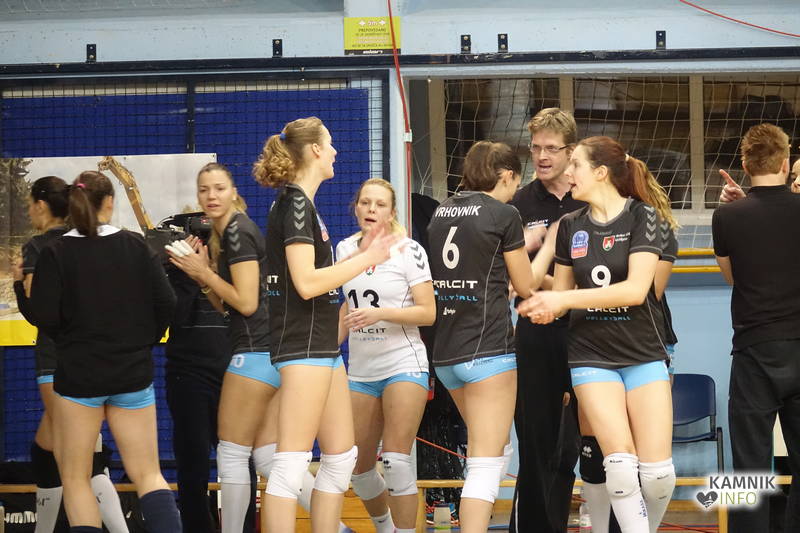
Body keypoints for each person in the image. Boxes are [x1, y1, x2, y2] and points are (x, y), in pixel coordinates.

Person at [519, 136, 676, 533]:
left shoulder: (644, 216)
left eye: (576, 164)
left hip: (642, 352)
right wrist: (545, 304)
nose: (568, 172)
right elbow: (562, 294)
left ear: (601, 172)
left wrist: (564, 300)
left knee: (658, 476)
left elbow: (636, 291)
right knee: (619, 465)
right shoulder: (572, 226)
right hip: (590, 355)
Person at [253, 117, 399, 532]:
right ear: (316, 150)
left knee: (340, 457)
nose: (335, 151)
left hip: (321, 347)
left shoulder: (301, 204)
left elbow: (314, 277)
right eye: (330, 143)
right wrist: (366, 260)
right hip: (302, 346)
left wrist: (360, 257)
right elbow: (306, 283)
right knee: (289, 463)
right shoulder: (296, 205)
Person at [23, 171, 180, 533]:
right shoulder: (136, 245)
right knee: (149, 474)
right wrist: (142, 342)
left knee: (76, 479)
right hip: (132, 374)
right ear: (110, 202)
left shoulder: (54, 252)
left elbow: (45, 318)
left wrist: (21, 290)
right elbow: (167, 303)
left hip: (78, 378)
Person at [427, 140, 536, 533]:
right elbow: (525, 286)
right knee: (485, 465)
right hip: (488, 351)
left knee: (492, 450)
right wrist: (538, 246)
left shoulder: (441, 211)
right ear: (505, 175)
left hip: (446, 353)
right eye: (515, 182)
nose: (515, 191)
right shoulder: (504, 214)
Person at [13, 176, 129, 533]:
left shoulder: (39, 247)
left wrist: (18, 282)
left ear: (41, 205)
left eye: (30, 205)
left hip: (57, 361)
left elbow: (38, 309)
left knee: (80, 461)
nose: (29, 211)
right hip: (91, 358)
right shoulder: (83, 241)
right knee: (47, 450)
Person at [711, 123, 800, 533]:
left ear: (745, 166)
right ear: (785, 163)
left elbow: (733, 277)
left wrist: (742, 205)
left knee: (749, 466)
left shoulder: (727, 215)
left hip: (754, 351)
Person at [336, 178, 436, 533]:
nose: (371, 209)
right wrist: (327, 350)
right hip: (361, 370)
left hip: (403, 364)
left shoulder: (408, 250)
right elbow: (348, 304)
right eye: (365, 202)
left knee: (395, 460)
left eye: (380, 204)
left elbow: (428, 313)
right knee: (359, 470)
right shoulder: (344, 249)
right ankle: (386, 528)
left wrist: (381, 314)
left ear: (392, 212)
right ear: (356, 208)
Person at [507, 107, 584, 533]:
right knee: (536, 438)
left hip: (587, 329)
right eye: (535, 147)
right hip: (536, 332)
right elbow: (514, 279)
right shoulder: (520, 203)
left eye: (551, 148)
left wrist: (555, 287)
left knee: (586, 440)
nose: (541, 156)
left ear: (571, 151)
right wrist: (551, 286)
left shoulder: (589, 195)